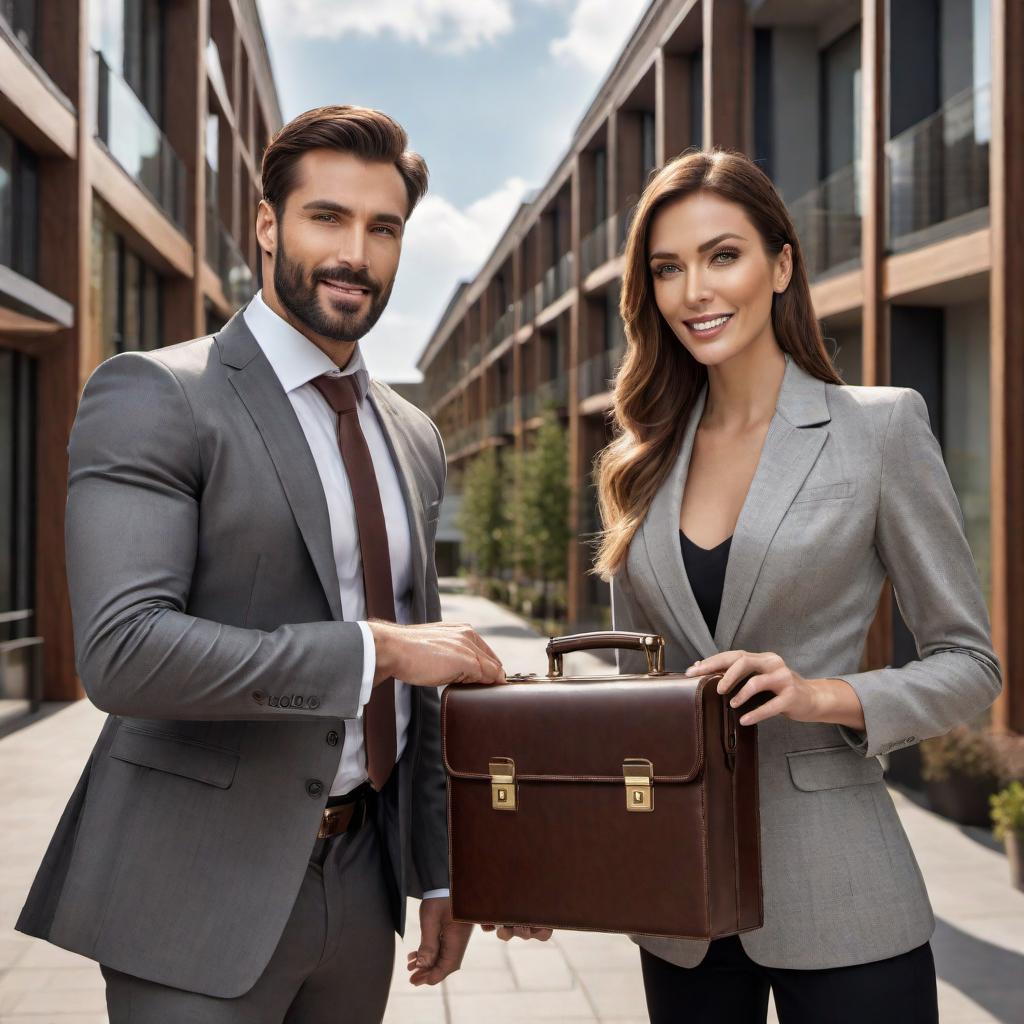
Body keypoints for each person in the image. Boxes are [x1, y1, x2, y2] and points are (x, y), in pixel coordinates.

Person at [16, 105, 506, 1023]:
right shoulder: (158, 393)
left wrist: (442, 870)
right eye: (328, 217)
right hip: (193, 890)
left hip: (364, 884)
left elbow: (425, 704)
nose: (355, 252)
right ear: (270, 224)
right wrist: (378, 650)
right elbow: (124, 654)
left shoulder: (413, 435)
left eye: (383, 227)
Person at [592, 149, 1001, 1023]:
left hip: (843, 892)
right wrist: (570, 861)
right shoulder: (635, 463)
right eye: (668, 268)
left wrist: (822, 694)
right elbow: (639, 694)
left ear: (781, 265)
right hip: (683, 908)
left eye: (723, 255)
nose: (695, 290)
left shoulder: (880, 430)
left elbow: (971, 664)